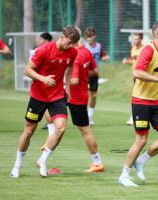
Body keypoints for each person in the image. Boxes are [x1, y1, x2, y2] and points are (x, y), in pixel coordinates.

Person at [10, 25, 80, 178]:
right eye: (68, 42)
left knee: (61, 129)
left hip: (57, 96)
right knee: (29, 131)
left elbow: (70, 67)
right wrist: (43, 79)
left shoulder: (73, 52)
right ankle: (17, 166)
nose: (70, 46)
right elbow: (27, 70)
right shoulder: (44, 50)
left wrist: (67, 87)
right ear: (61, 37)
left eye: (72, 44)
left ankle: (42, 161)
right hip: (38, 95)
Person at [118, 21, 158, 187]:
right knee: (141, 140)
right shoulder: (148, 49)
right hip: (141, 101)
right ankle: (124, 176)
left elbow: (156, 74)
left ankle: (141, 161)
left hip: (156, 101)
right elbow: (137, 72)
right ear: (157, 34)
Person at [68, 41, 104, 172]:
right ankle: (97, 162)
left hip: (74, 96)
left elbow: (75, 80)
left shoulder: (74, 55)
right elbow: (94, 71)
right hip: (81, 95)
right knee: (82, 129)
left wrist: (60, 79)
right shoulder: (87, 52)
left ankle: (97, 163)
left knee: (85, 130)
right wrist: (84, 73)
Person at [83, 27, 110, 125]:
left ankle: (90, 116)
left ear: (94, 36)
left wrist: (105, 57)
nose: (89, 39)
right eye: (87, 37)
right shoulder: (83, 46)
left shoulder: (99, 46)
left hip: (94, 74)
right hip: (84, 75)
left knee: (93, 95)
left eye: (91, 37)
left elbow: (100, 56)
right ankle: (84, 115)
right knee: (84, 95)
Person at [29, 32, 54, 133]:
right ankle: (51, 130)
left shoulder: (50, 51)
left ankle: (51, 131)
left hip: (47, 83)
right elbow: (30, 68)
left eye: (40, 39)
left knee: (46, 107)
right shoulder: (36, 51)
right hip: (39, 83)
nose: (37, 41)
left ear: (46, 40)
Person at [122, 33, 144, 125]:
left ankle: (136, 117)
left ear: (141, 39)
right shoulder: (132, 49)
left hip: (143, 77)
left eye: (136, 39)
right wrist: (127, 62)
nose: (134, 41)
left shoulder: (145, 49)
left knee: (141, 97)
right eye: (133, 39)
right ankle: (134, 117)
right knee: (136, 97)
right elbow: (133, 62)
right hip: (136, 77)